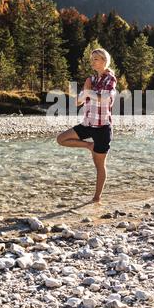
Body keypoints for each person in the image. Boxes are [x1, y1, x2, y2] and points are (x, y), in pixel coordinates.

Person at [57, 48, 117, 203]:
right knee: (61, 139)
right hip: (88, 124)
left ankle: (96, 198)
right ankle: (88, 145)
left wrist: (88, 91)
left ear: (104, 60)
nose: (93, 62)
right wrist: (85, 89)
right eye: (92, 59)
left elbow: (105, 98)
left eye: (96, 58)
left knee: (99, 166)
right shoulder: (91, 80)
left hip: (102, 128)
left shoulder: (110, 79)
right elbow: (78, 102)